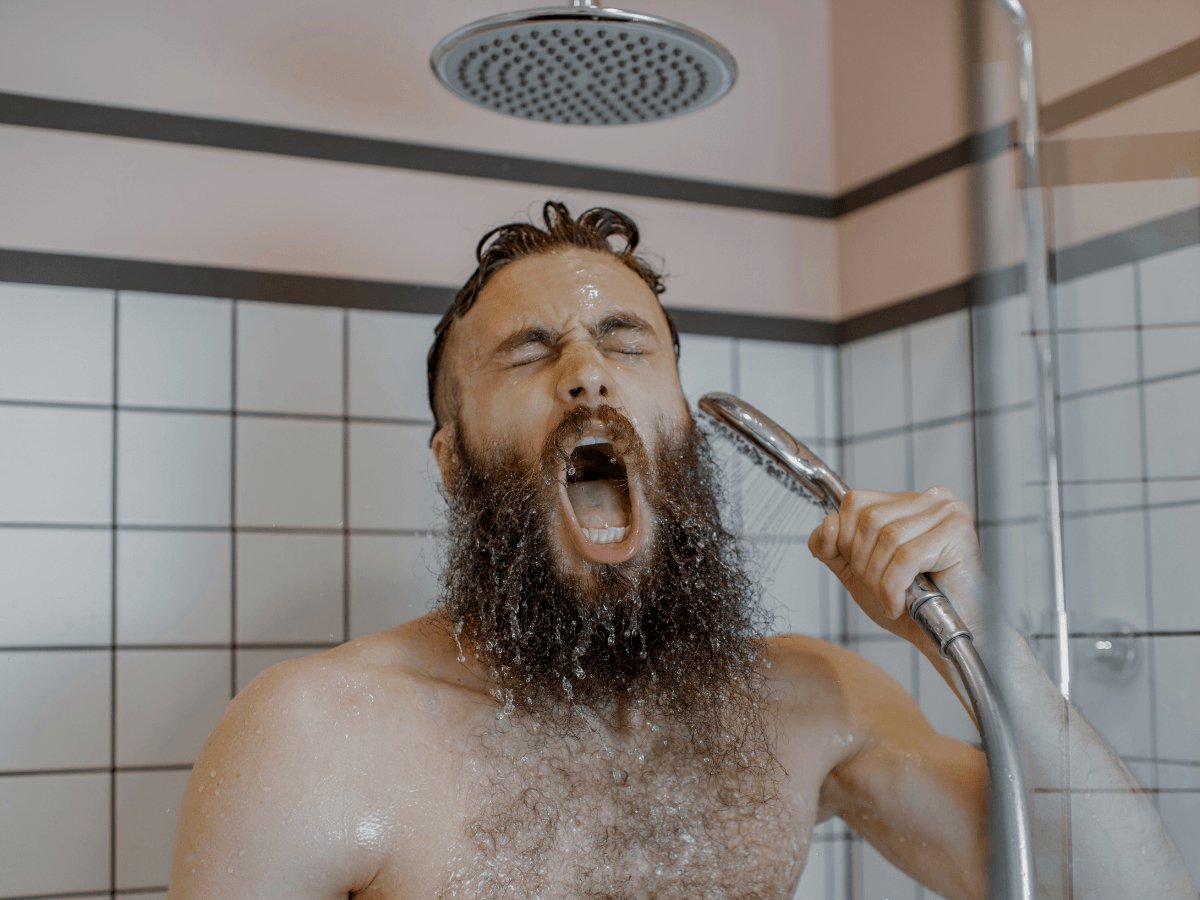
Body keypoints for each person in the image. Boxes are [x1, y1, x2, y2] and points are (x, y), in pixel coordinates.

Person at [167, 202, 1192, 899]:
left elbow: (1121, 888)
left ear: (685, 431)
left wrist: (968, 633)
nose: (587, 376)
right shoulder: (311, 737)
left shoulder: (806, 706)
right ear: (452, 459)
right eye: (532, 352)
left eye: (625, 343)